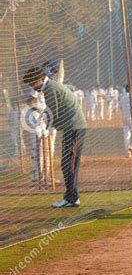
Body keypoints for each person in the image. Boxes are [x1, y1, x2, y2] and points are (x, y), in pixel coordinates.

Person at [23, 65, 87, 207]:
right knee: (69, 164)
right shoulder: (53, 85)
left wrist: (44, 125)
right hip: (74, 127)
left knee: (67, 164)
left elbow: (53, 114)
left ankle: (71, 199)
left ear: (41, 79)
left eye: (34, 84)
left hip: (74, 127)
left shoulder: (50, 88)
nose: (34, 88)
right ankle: (72, 197)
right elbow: (71, 88)